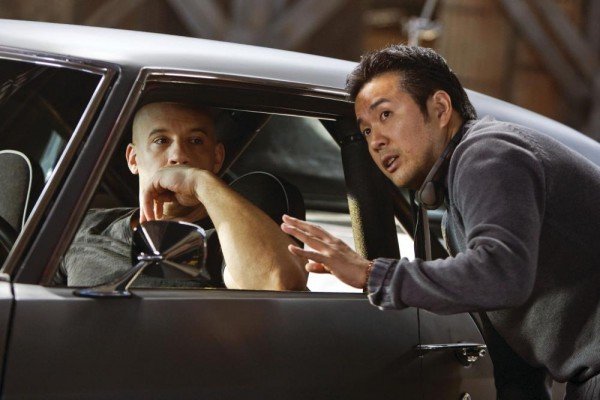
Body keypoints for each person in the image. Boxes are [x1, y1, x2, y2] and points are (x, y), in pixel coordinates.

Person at [281, 45, 600, 399]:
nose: (377, 141)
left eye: (386, 115)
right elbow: (514, 355)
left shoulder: (488, 154)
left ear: (440, 109)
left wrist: (373, 274)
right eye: (367, 130)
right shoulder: (456, 217)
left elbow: (500, 273)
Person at [56, 101, 307, 291]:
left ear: (217, 158)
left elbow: (277, 283)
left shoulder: (228, 240)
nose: (178, 156)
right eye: (161, 140)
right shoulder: (85, 227)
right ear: (133, 159)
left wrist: (199, 181)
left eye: (196, 141)